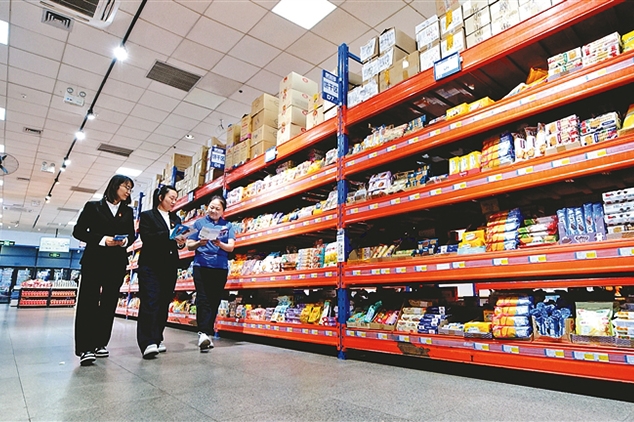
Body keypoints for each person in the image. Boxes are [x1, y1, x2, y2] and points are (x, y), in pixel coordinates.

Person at [72, 175, 135, 366]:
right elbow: (78, 231)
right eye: (126, 187)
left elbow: (132, 235)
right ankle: (85, 348)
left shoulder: (127, 211)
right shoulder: (93, 207)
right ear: (115, 186)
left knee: (109, 303)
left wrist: (124, 241)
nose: (128, 191)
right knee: (88, 302)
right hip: (94, 260)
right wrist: (102, 240)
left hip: (116, 262)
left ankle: (100, 343)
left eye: (130, 188)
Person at [136, 185, 187, 359]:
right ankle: (147, 342)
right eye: (171, 198)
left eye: (175, 199)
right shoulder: (147, 216)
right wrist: (169, 235)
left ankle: (157, 338)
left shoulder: (176, 218)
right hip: (150, 265)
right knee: (150, 301)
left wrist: (180, 242)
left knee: (164, 302)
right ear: (160, 197)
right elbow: (147, 237)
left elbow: (177, 243)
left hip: (169, 266)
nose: (174, 201)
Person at [186, 195, 235, 351]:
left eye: (217, 209)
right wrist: (199, 243)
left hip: (220, 267)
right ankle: (203, 332)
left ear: (223, 211)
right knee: (203, 298)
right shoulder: (198, 223)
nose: (213, 211)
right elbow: (189, 245)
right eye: (211, 207)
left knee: (214, 299)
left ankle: (207, 332)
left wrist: (219, 243)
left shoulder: (228, 226)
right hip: (201, 265)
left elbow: (231, 247)